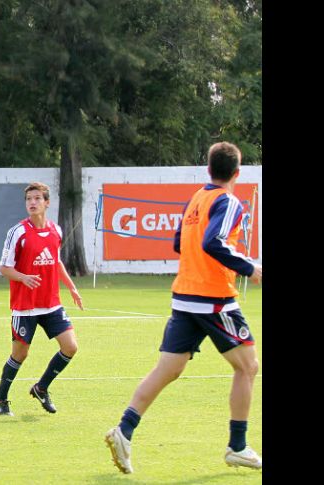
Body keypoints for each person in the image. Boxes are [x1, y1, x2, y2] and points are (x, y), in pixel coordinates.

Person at [105, 142, 262, 473]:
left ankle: (124, 430)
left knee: (168, 369)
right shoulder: (229, 201)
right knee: (248, 366)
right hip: (214, 299)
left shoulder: (196, 199)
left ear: (208, 170)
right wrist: (250, 267)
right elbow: (213, 242)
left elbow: (179, 242)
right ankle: (237, 445)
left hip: (185, 297)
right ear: (237, 173)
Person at [0, 182, 83, 417]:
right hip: (25, 306)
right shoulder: (18, 232)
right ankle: (0, 399)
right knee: (20, 354)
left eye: (37, 199)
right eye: (29, 199)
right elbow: (4, 268)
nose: (32, 203)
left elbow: (56, 260)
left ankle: (41, 388)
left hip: (51, 303)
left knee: (70, 347)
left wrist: (71, 288)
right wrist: (23, 278)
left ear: (47, 203)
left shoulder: (56, 230)